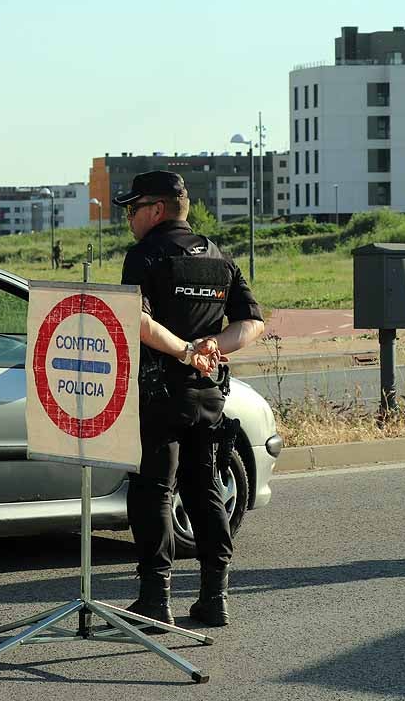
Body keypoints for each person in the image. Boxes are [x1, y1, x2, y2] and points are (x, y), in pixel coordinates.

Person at [114, 170, 265, 628]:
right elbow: (253, 323)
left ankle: (155, 598)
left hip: (161, 391)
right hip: (210, 395)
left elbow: (135, 320)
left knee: (154, 491)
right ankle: (214, 597)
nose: (129, 219)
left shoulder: (144, 256)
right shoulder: (220, 258)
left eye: (132, 209)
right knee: (205, 489)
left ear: (156, 210)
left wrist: (184, 350)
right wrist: (213, 346)